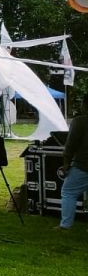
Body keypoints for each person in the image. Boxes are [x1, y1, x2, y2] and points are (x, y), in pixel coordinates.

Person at [58, 96, 88, 230]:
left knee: (68, 192)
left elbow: (70, 145)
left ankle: (65, 225)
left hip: (83, 165)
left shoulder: (80, 121)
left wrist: (66, 164)